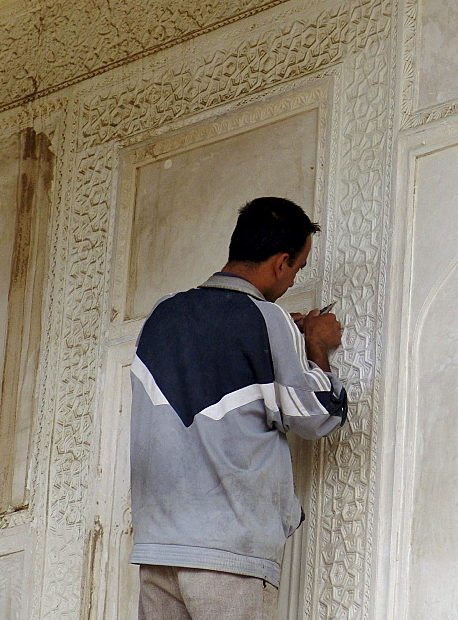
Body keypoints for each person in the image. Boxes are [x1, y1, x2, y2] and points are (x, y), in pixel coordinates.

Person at [129, 197, 348, 620]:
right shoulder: (266, 319)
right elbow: (319, 414)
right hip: (229, 554)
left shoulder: (162, 314)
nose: (291, 281)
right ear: (281, 262)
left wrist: (281, 344)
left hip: (159, 550)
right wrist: (315, 344)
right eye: (298, 268)